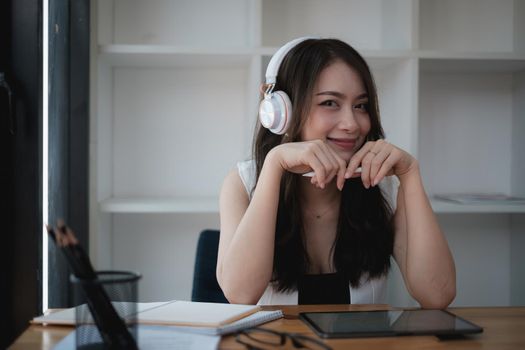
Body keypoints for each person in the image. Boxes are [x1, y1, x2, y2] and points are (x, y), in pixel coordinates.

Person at [216, 37, 456, 308]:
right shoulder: (243, 183)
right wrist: (274, 165)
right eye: (330, 103)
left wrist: (410, 175)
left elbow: (437, 295)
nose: (352, 124)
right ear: (281, 110)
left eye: (361, 105)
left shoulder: (382, 187)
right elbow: (240, 294)